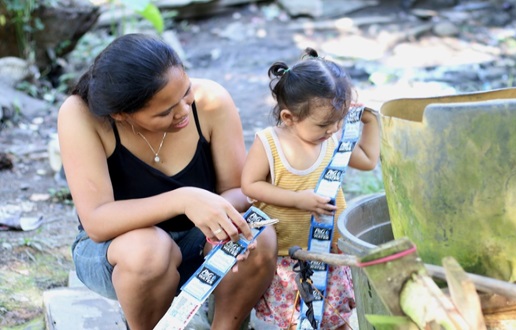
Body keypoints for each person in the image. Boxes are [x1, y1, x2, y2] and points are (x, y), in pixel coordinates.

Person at [57, 33, 277, 330]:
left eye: (185, 93)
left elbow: (237, 191)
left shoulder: (211, 100)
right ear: (121, 115)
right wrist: (184, 199)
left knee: (258, 234)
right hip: (120, 255)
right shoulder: (81, 115)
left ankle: (227, 325)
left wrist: (219, 216)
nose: (184, 111)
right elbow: (97, 221)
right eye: (165, 112)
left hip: (201, 240)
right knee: (149, 250)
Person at [241, 48, 380, 329]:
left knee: (335, 317)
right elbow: (250, 186)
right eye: (324, 124)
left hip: (327, 251)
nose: (333, 129)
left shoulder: (331, 140)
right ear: (289, 117)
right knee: (295, 321)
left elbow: (367, 160)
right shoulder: (269, 143)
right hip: (285, 255)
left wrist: (371, 121)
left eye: (339, 120)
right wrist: (297, 200)